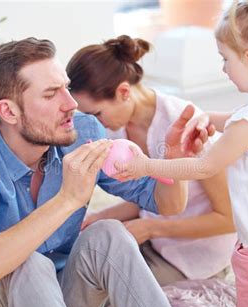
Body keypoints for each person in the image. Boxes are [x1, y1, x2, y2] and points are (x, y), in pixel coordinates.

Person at [0, 37, 208, 307]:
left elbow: (168, 205)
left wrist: (174, 161)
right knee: (27, 264)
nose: (71, 103)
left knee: (109, 234)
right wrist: (67, 200)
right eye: (50, 94)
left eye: (66, 88)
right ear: (8, 111)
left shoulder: (82, 133)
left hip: (56, 296)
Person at [111, 0, 248, 307]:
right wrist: (209, 118)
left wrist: (145, 165)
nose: (223, 68)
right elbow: (244, 119)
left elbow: (203, 166)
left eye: (225, 59)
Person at [66, 35, 236, 286]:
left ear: (124, 92)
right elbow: (151, 198)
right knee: (84, 275)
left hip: (197, 256)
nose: (95, 123)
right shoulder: (117, 128)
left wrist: (151, 228)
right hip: (153, 239)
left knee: (116, 298)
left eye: (97, 113)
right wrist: (102, 216)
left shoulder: (185, 124)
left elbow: (228, 219)